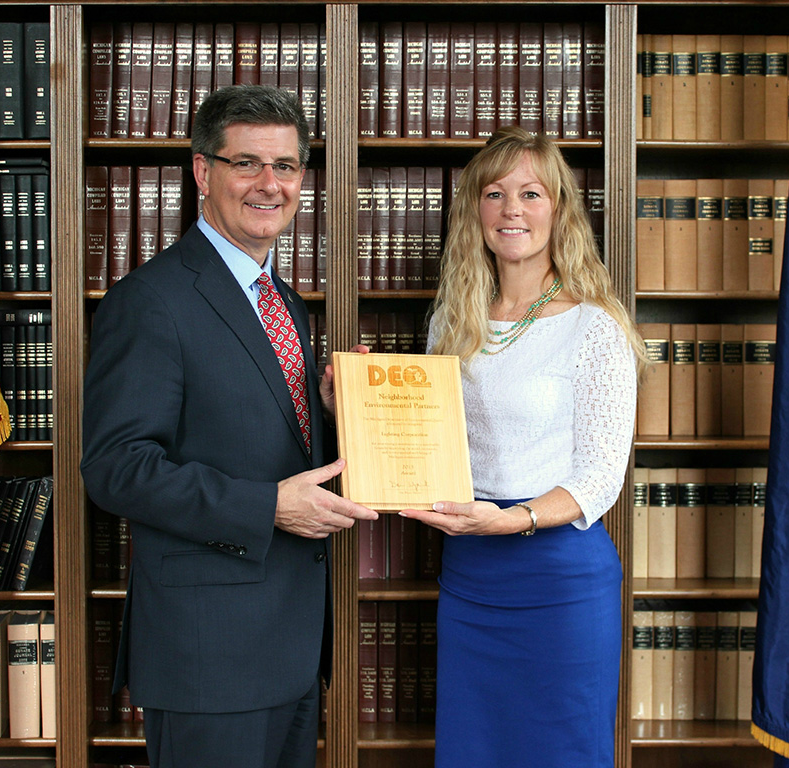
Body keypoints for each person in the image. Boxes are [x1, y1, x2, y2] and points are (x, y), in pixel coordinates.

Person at [80, 85, 378, 768]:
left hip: (295, 646)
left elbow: (272, 441)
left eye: (286, 167)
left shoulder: (286, 303)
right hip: (208, 655)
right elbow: (116, 468)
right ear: (203, 172)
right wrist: (268, 507)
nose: (269, 185)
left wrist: (340, 415)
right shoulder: (151, 302)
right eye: (246, 163)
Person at [400, 126, 644, 768]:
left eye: (531, 193)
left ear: (559, 211)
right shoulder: (451, 320)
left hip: (559, 579)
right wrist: (361, 411)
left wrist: (511, 519)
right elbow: (428, 438)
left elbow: (599, 478)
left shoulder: (595, 327)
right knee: (471, 752)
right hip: (471, 577)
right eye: (495, 193)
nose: (512, 209)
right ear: (473, 211)